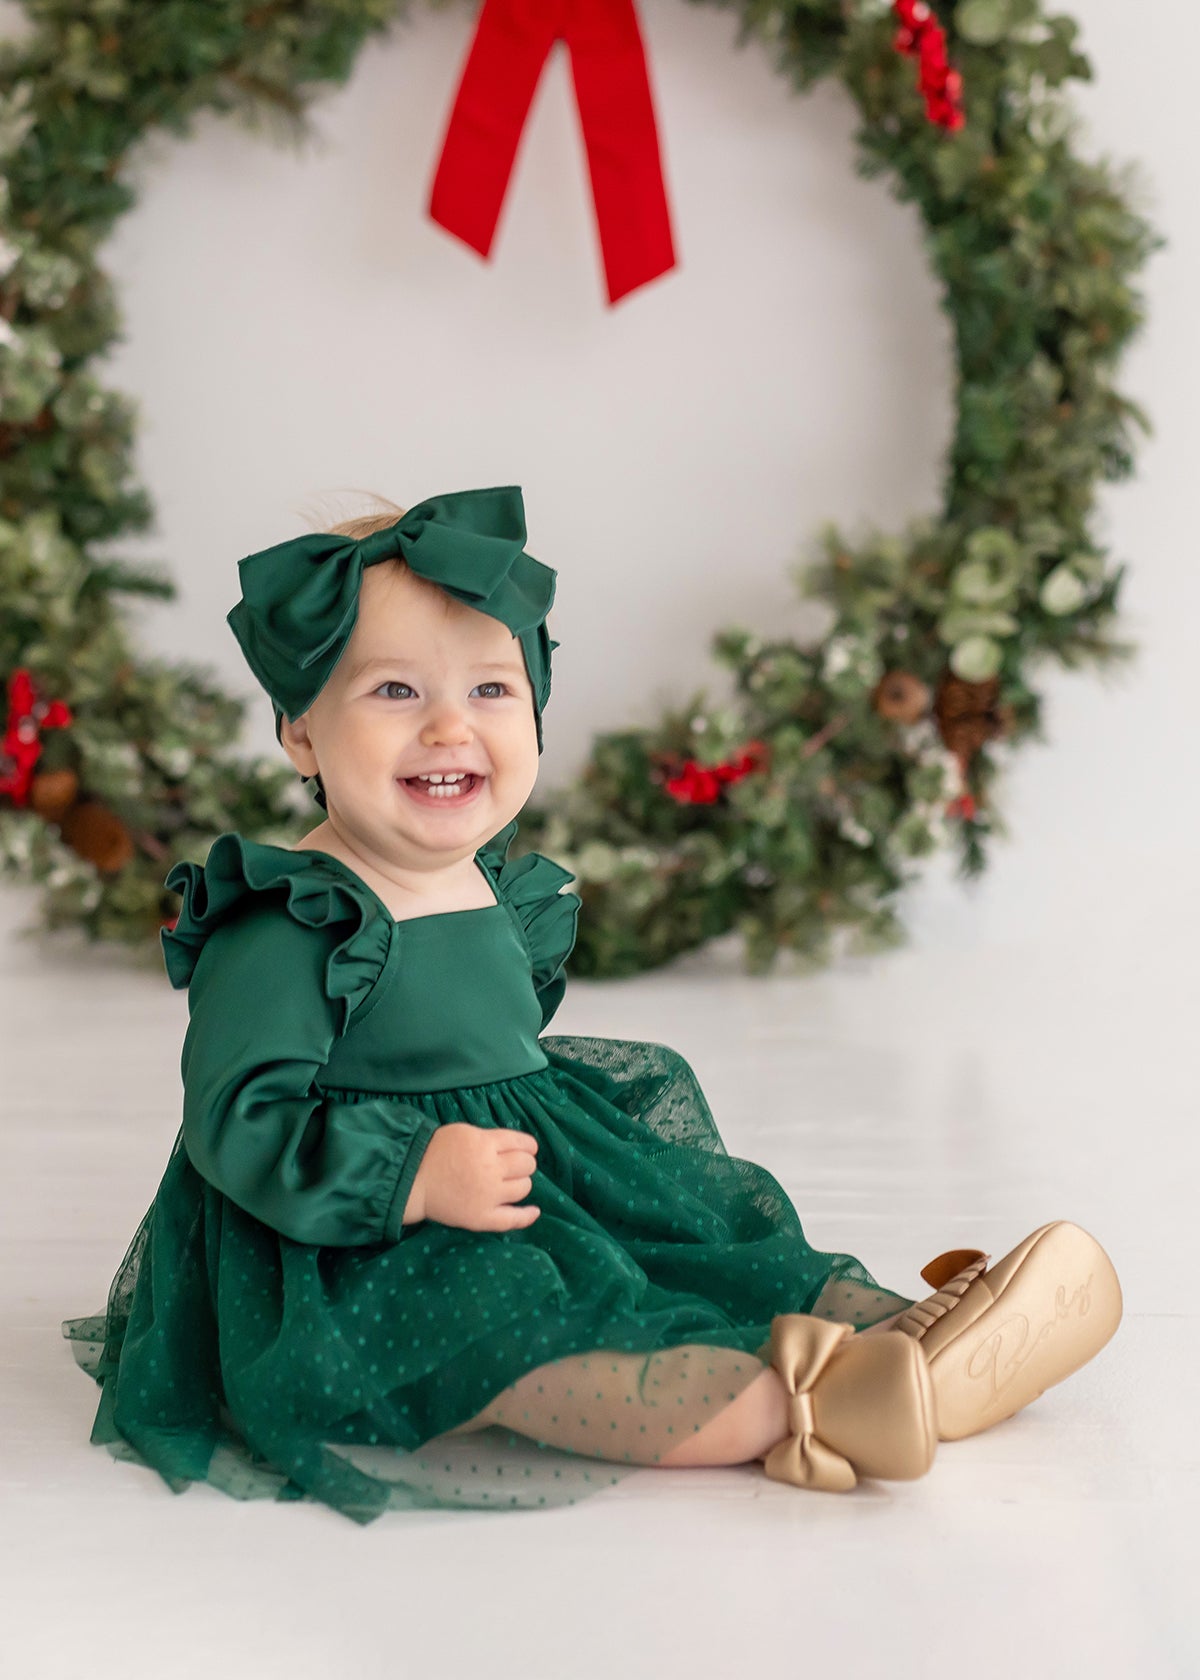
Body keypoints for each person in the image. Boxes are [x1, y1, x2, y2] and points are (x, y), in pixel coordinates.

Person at [62, 486, 1122, 1521]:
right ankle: (801, 1406)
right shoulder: (292, 913)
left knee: (691, 1238)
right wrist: (409, 1174)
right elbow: (236, 1117)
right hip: (357, 1230)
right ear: (300, 733)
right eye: (394, 693)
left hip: (528, 1161)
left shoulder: (491, 879)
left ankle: (920, 1333)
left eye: (490, 692)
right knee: (517, 1330)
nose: (448, 728)